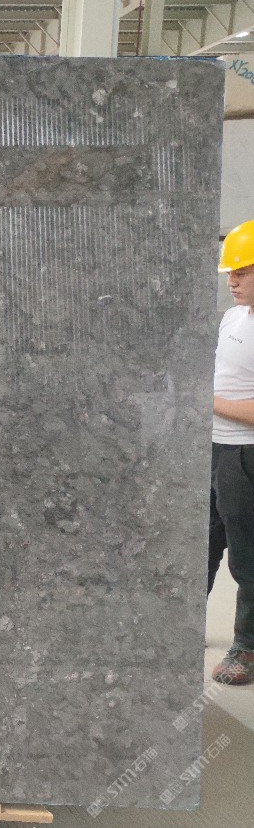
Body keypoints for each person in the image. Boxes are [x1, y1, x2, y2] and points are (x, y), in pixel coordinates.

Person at [209, 219, 254, 685]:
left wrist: (202, 401)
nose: (232, 281)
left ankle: (247, 647)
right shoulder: (232, 318)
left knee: (247, 557)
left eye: (242, 271)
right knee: (199, 545)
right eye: (230, 273)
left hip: (246, 457)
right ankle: (179, 629)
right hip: (213, 451)